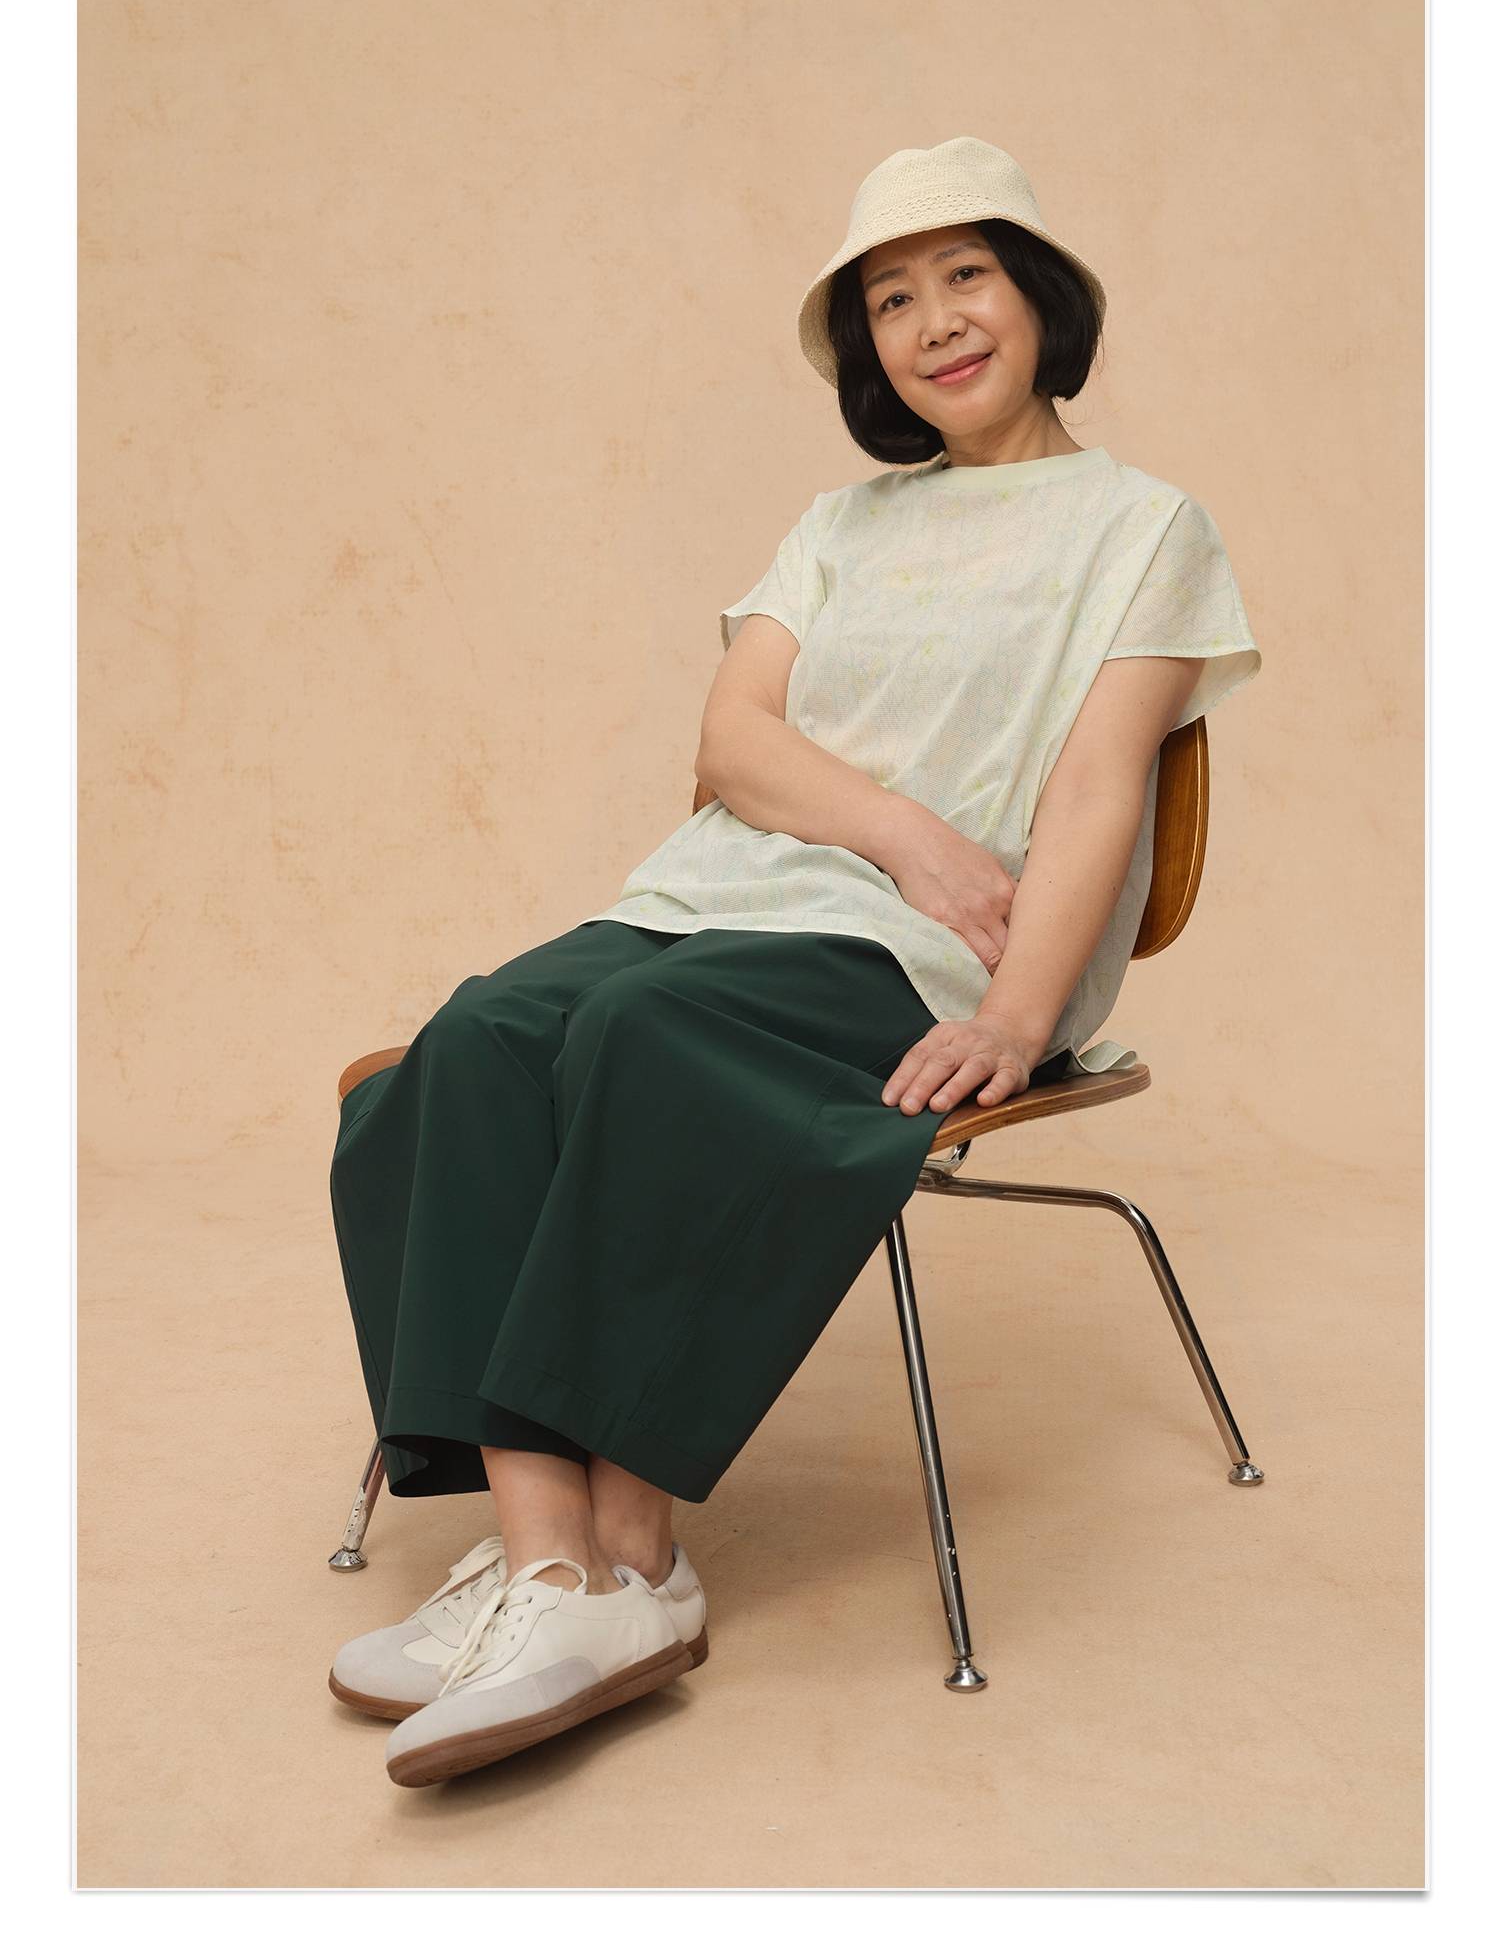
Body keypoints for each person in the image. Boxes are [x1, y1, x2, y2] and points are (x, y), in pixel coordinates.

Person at [327, 135, 1263, 1790]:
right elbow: (733, 745)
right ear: (867, 351)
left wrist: (1020, 1012)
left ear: (1040, 297)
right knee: (478, 1037)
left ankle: (633, 1561)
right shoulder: (836, 525)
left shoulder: (1144, 527)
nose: (933, 320)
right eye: (890, 300)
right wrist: (907, 830)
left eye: (965, 275)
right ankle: (552, 1571)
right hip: (720, 901)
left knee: (646, 1036)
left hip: (927, 960)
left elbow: (1098, 788)